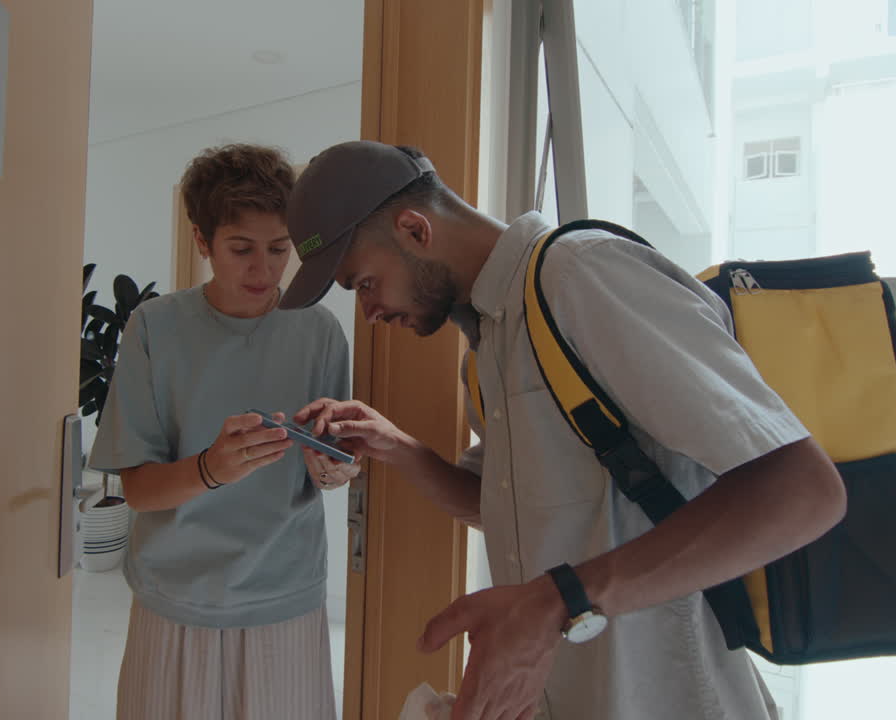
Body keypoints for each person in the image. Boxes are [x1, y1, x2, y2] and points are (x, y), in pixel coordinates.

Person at [279, 141, 847, 720]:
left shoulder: (583, 275)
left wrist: (558, 600)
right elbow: (514, 506)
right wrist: (397, 448)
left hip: (672, 696)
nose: (370, 313)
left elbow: (804, 491)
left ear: (414, 230)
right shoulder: (488, 345)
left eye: (364, 284)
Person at [88, 143, 358, 720]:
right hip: (175, 601)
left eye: (279, 248)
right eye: (241, 249)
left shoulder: (319, 333)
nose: (264, 270)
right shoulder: (154, 328)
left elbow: (334, 462)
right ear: (202, 241)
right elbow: (137, 489)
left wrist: (334, 470)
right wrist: (211, 469)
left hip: (285, 597)